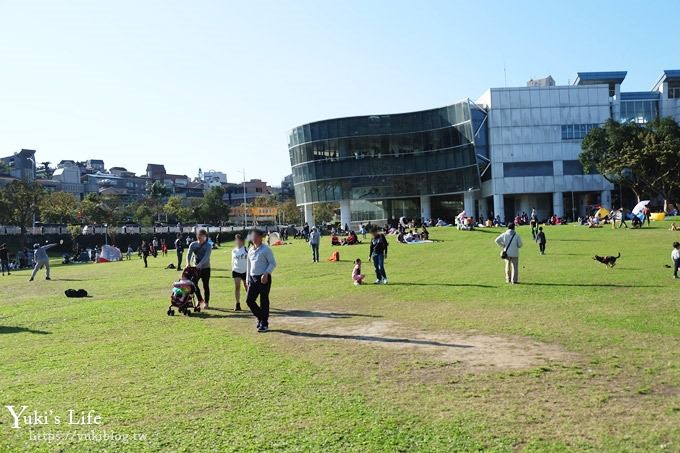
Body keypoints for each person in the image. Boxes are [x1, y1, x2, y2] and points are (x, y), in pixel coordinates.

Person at [245, 229, 277, 332]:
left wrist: (266, 273)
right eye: (252, 236)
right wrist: (247, 279)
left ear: (260, 237)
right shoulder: (250, 250)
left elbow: (272, 263)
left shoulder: (265, 249)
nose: (253, 238)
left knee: (264, 301)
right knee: (249, 300)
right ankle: (260, 317)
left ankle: (264, 323)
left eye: (255, 236)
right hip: (253, 278)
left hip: (264, 278)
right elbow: (248, 265)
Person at [187, 229, 212, 308]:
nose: (200, 237)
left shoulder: (208, 245)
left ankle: (206, 302)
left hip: (205, 268)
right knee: (193, 284)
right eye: (199, 235)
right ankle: (200, 299)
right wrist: (188, 263)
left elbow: (206, 257)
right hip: (195, 269)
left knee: (206, 286)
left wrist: (200, 264)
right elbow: (189, 254)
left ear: (205, 237)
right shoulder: (193, 244)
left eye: (202, 235)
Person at [231, 234, 248, 311]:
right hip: (236, 270)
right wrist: (232, 268)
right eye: (236, 239)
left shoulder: (246, 249)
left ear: (241, 241)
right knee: (237, 287)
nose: (236, 241)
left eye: (237, 239)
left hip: (245, 271)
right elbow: (233, 261)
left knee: (246, 287)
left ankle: (250, 301)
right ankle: (237, 304)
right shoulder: (234, 251)